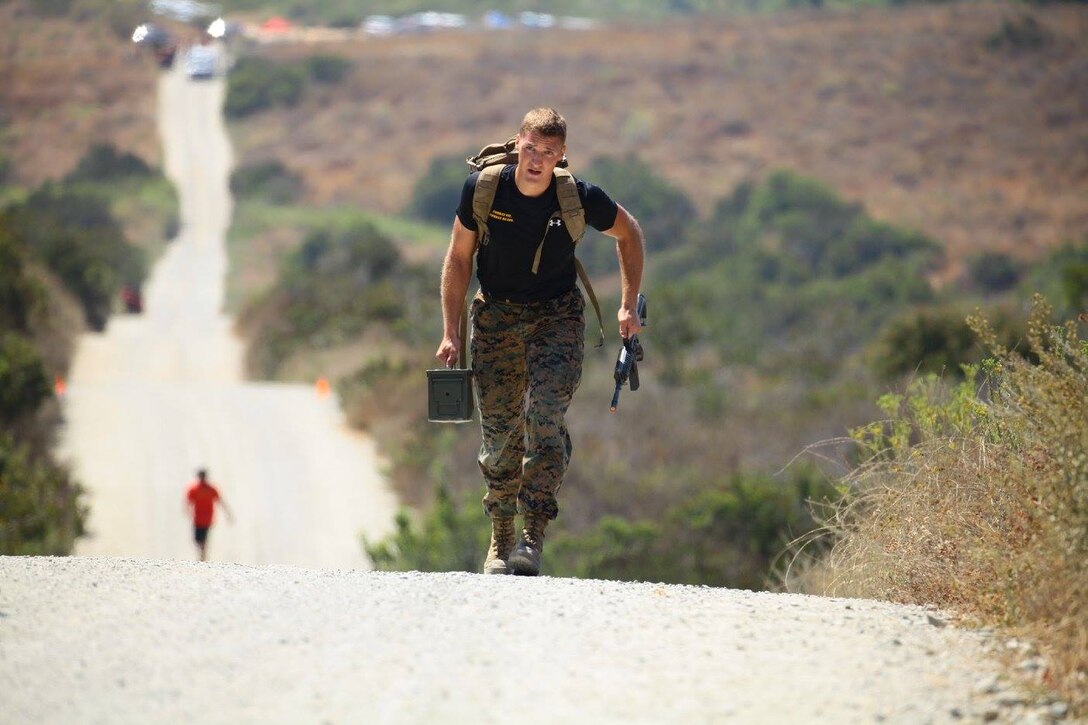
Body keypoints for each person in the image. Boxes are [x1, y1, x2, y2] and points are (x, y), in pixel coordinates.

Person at [436, 108, 645, 576]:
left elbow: (628, 232)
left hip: (558, 319)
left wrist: (628, 304)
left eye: (548, 153)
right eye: (530, 148)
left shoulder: (579, 198)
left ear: (561, 156)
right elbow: (458, 259)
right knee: (500, 431)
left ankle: (533, 533)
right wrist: (452, 331)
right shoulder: (485, 189)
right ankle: (501, 536)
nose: (536, 160)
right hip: (496, 318)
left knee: (546, 416)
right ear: (517, 144)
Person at [183, 468, 233, 562]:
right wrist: (187, 511)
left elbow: (220, 501)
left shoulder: (211, 489)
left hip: (207, 518)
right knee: (197, 539)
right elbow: (188, 501)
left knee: (203, 538)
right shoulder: (194, 489)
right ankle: (202, 554)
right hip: (197, 518)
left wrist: (228, 514)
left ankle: (202, 557)